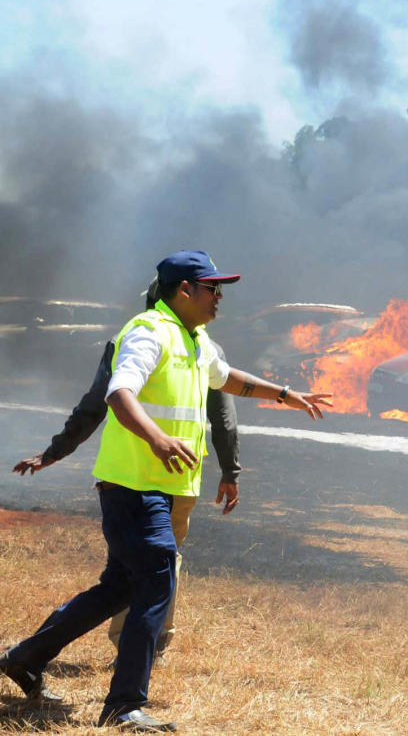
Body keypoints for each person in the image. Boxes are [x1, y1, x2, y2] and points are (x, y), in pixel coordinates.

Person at [0, 250, 331, 732]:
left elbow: (227, 379)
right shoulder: (148, 332)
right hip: (134, 485)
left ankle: (25, 658)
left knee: (120, 588)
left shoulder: (195, 339)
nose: (220, 297)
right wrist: (156, 438)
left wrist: (284, 394)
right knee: (157, 579)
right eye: (213, 288)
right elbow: (118, 393)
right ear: (185, 290)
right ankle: (124, 706)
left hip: (159, 487)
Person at [12, 280, 243, 660]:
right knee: (156, 565)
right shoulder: (191, 343)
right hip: (167, 480)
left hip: (138, 480)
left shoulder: (146, 339)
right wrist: (231, 471)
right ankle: (144, 650)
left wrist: (56, 451)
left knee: (139, 569)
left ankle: (117, 649)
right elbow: (224, 419)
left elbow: (93, 405)